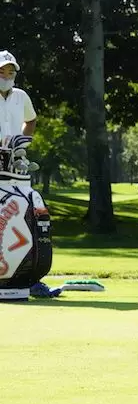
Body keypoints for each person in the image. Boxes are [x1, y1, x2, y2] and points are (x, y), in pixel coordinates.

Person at [0, 50, 58, 299]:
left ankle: (27, 278)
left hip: (15, 166)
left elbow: (31, 120)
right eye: (2, 71)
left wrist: (23, 144)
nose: (6, 76)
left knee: (23, 216)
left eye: (10, 72)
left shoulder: (21, 96)